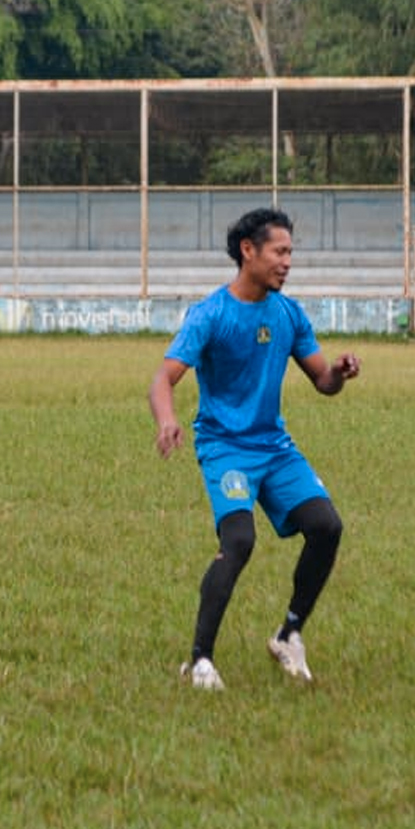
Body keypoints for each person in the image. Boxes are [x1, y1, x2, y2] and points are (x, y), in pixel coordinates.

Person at [149, 207, 360, 690]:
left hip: (274, 445)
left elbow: (321, 381)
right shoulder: (211, 314)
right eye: (279, 252)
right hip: (226, 447)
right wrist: (168, 420)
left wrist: (339, 373)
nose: (288, 262)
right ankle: (200, 661)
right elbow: (163, 377)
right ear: (249, 251)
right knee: (239, 541)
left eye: (291, 253)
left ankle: (289, 633)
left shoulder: (287, 312)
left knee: (326, 527)